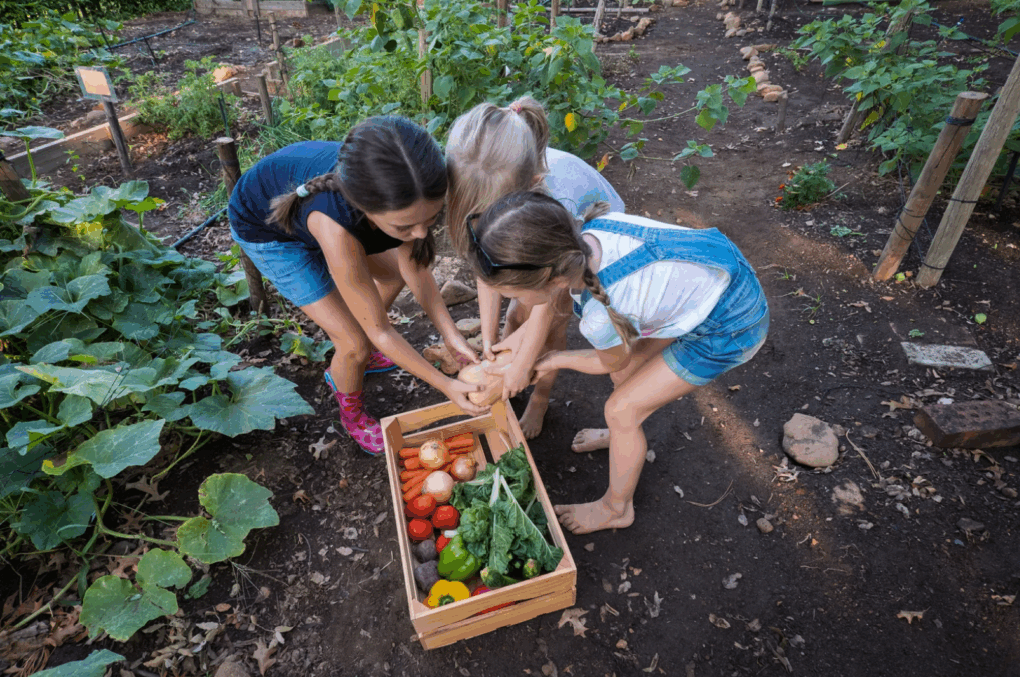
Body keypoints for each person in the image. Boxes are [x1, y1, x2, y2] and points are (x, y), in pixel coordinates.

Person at [464, 192, 769, 534]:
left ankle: (616, 508)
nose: (513, 302)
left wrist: (552, 360)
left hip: (729, 325)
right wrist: (511, 350)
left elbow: (609, 361)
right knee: (629, 378)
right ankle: (622, 437)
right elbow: (568, 319)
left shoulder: (599, 315)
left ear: (553, 280)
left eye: (514, 295)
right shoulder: (584, 240)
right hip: (716, 274)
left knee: (621, 409)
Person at [229, 116, 486, 456]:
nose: (422, 233)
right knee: (354, 343)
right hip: (267, 230)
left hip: (319, 215)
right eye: (405, 226)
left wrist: (452, 337)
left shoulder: (405, 190)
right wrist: (446, 385)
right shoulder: (338, 228)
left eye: (431, 219)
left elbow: (416, 272)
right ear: (367, 209)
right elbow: (382, 331)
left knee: (392, 276)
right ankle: (352, 413)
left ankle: (359, 340)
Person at [445, 96, 625, 439]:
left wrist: (526, 362)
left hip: (581, 248)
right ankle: (510, 376)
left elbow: (550, 304)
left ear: (532, 187)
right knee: (515, 318)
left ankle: (539, 398)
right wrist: (489, 335)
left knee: (549, 328)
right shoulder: (489, 184)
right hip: (537, 250)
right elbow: (487, 266)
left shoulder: (557, 203)